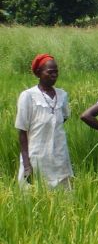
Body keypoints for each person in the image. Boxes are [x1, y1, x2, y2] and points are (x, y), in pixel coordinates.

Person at [15, 54, 73, 189]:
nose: (54, 75)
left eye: (56, 71)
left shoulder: (62, 95)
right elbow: (22, 131)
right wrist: (27, 164)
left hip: (59, 155)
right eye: (50, 72)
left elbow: (62, 119)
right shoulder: (28, 96)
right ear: (39, 73)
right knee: (36, 194)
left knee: (63, 197)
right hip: (37, 156)